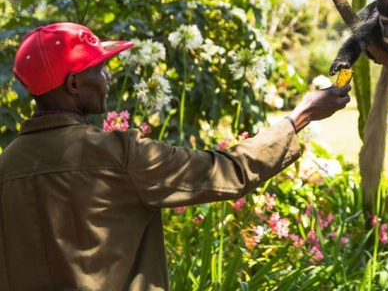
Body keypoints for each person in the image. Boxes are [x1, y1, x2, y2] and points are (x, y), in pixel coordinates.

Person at [0, 22, 351, 290]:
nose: (107, 77)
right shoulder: (120, 156)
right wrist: (301, 115)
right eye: (100, 67)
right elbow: (226, 171)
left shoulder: (6, 167)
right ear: (73, 84)